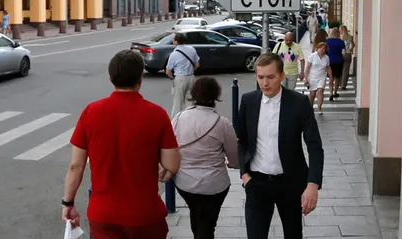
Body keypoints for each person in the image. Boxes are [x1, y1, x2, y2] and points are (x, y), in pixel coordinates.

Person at [62, 50, 180, 238]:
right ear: (140, 78)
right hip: (146, 214)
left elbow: (76, 166)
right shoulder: (157, 114)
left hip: (103, 215)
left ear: (111, 78)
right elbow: (172, 165)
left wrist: (68, 203)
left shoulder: (91, 112)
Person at [236, 53, 324, 239]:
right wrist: (244, 175)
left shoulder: (299, 103)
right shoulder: (248, 101)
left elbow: (315, 146)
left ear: (282, 76)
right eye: (260, 77)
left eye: (270, 77)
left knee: (293, 234)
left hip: (290, 183)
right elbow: (241, 140)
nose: (265, 83)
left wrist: (313, 184)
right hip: (257, 183)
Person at [171, 77, 238, 239]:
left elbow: (171, 146)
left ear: (193, 93)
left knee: (196, 214)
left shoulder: (179, 118)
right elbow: (234, 155)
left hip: (185, 182)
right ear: (216, 95)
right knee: (207, 222)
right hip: (214, 184)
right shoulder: (222, 123)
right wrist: (233, 164)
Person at [166, 33, 200, 118]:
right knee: (190, 102)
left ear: (176, 41)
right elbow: (197, 64)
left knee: (177, 103)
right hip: (191, 77)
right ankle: (189, 120)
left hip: (180, 78)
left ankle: (176, 121)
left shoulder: (174, 54)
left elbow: (168, 71)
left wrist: (173, 78)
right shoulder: (192, 49)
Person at [303, 43, 332, 115]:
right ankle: (310, 107)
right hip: (312, 77)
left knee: (320, 91)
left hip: (322, 77)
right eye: (320, 48)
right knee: (312, 94)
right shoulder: (312, 56)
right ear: (317, 48)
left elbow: (328, 68)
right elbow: (308, 68)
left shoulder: (326, 57)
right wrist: (306, 78)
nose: (322, 50)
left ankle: (319, 108)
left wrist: (331, 78)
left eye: (324, 48)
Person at [324, 29, 346, 101]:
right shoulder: (341, 42)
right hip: (339, 61)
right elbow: (344, 53)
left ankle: (330, 93)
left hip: (329, 61)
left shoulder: (328, 41)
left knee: (331, 78)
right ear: (338, 33)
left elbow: (325, 50)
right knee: (337, 78)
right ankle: (335, 92)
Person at [340, 26, 354, 91]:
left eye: (340, 30)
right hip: (348, 54)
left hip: (341, 54)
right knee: (346, 70)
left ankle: (340, 82)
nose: (340, 31)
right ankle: (344, 85)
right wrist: (350, 49)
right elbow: (353, 45)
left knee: (340, 69)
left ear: (342, 30)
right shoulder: (350, 36)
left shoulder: (340, 37)